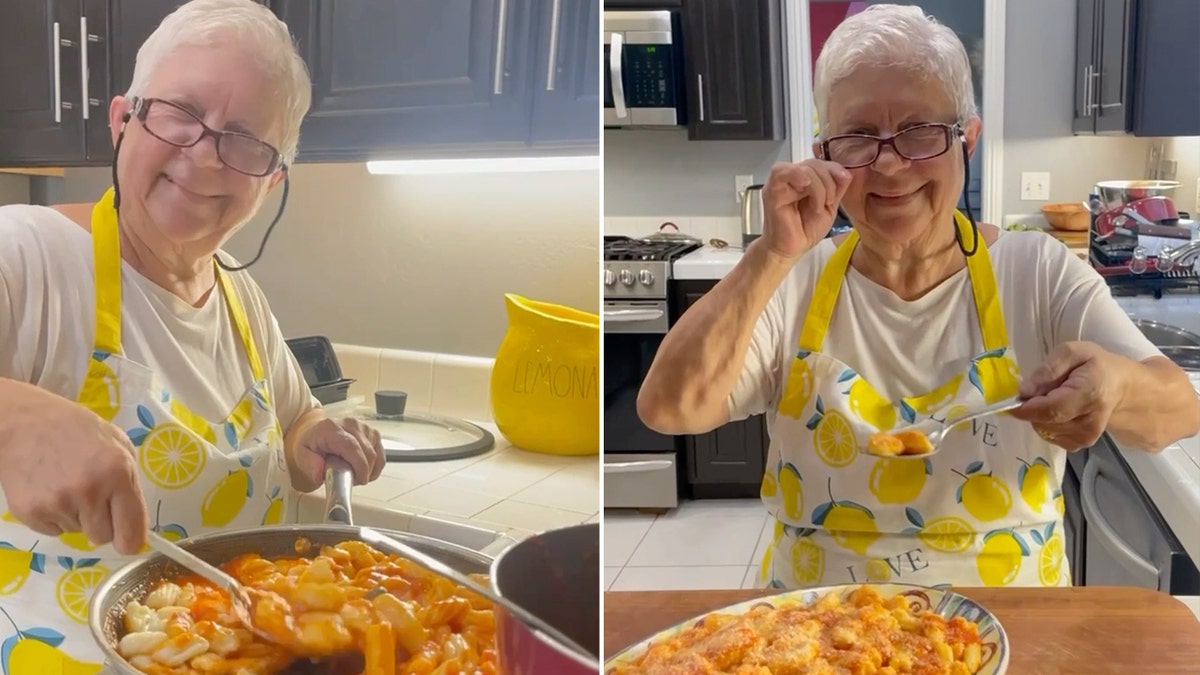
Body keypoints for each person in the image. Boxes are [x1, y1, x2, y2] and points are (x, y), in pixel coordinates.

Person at [638, 4, 1199, 590]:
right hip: (812, 632)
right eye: (857, 138)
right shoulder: (792, 279)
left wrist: (1115, 385)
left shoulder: (1037, 272)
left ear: (968, 140)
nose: (889, 164)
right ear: (824, 154)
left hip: (1014, 629)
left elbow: (1178, 410)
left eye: (920, 132)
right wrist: (770, 255)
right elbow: (670, 408)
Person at [0, 0, 385, 667]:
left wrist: (313, 437)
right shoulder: (26, 254)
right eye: (179, 112)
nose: (204, 156)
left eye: (243, 140)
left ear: (273, 180)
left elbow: (293, 431)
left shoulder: (243, 299)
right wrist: (12, 419)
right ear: (123, 119)